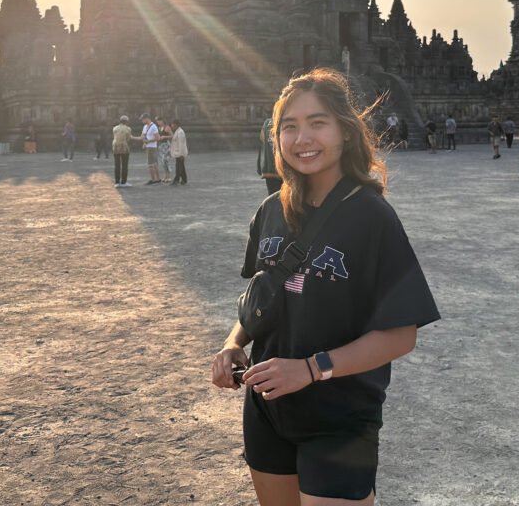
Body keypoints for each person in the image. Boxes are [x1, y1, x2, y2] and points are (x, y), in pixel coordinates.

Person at [210, 68, 439, 505]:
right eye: (289, 127)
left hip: (339, 416)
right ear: (275, 140)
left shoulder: (372, 217)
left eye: (318, 123)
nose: (302, 138)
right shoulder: (269, 211)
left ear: (346, 133)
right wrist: (232, 344)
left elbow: (401, 334)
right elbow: (261, 301)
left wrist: (311, 369)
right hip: (267, 409)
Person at [132, 112, 161, 184]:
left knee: (151, 164)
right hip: (148, 146)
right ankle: (157, 179)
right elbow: (142, 137)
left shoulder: (153, 126)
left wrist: (148, 141)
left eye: (143, 119)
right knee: (153, 163)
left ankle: (154, 179)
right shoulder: (145, 127)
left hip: (152, 147)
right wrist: (132, 137)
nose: (142, 121)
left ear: (147, 119)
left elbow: (158, 138)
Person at [258, 115, 282, 195]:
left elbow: (262, 138)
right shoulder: (286, 122)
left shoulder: (267, 122)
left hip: (268, 170)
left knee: (272, 198)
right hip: (283, 170)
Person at [111, 115, 132, 187]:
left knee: (117, 165)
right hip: (124, 147)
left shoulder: (115, 128)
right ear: (127, 122)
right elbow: (128, 138)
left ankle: (117, 182)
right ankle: (124, 182)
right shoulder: (128, 128)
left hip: (115, 147)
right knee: (124, 165)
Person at [156, 116, 174, 183]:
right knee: (162, 161)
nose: (158, 122)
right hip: (161, 145)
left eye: (159, 121)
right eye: (157, 121)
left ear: (162, 121)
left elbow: (173, 136)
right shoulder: (159, 128)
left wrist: (165, 136)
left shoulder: (167, 127)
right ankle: (166, 175)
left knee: (165, 160)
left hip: (166, 145)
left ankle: (168, 176)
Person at [170, 119, 188, 185]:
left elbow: (181, 144)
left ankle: (176, 179)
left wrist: (181, 154)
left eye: (172, 124)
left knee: (178, 167)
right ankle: (184, 179)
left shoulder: (180, 132)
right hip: (178, 152)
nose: (171, 126)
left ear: (176, 124)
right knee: (181, 166)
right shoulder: (177, 131)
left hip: (180, 152)